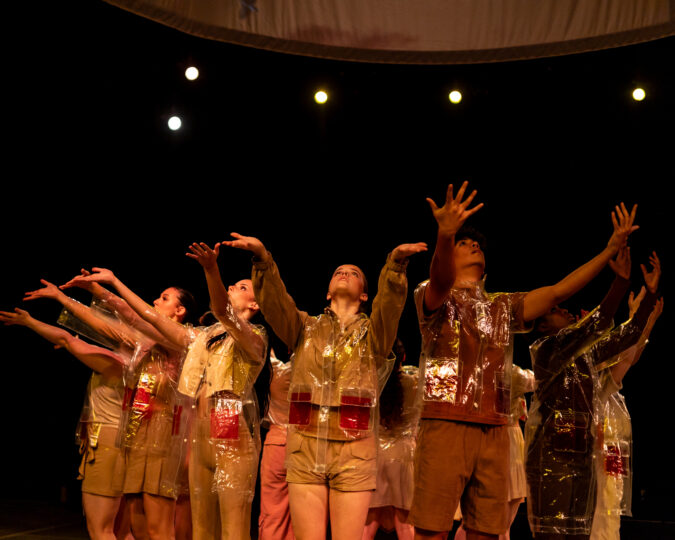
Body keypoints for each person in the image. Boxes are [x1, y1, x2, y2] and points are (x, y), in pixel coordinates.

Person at [409, 181, 639, 540]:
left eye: (477, 245)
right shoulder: (434, 295)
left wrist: (607, 250)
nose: (473, 245)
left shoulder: (502, 305)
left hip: (496, 429)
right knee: (432, 530)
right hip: (446, 422)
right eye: (463, 243)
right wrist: (444, 235)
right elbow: (439, 277)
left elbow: (559, 290)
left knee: (487, 530)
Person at [224, 232, 427, 540]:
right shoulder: (304, 328)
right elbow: (277, 303)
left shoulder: (375, 335)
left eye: (355, 273)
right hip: (305, 447)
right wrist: (262, 260)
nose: (345, 274)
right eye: (338, 272)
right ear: (328, 293)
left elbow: (389, 306)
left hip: (355, 452)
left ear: (363, 296)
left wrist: (395, 266)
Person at [525, 251, 661, 540]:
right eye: (556, 310)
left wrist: (649, 296)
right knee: (552, 534)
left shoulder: (586, 355)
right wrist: (620, 283)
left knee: (579, 535)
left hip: (582, 455)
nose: (566, 311)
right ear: (543, 324)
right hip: (551, 457)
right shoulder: (547, 350)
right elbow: (598, 322)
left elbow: (630, 334)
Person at [58, 269, 198, 540]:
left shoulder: (178, 337)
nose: (156, 301)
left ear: (179, 311)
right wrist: (70, 296)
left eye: (164, 298)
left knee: (158, 527)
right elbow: (107, 325)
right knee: (139, 526)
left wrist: (108, 285)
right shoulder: (147, 341)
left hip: (160, 433)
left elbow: (136, 315)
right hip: (135, 431)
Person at [0, 305, 126, 540]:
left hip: (108, 443)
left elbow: (66, 339)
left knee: (100, 530)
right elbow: (73, 343)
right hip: (121, 442)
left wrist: (29, 321)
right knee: (121, 530)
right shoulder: (135, 362)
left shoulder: (115, 363)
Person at [589, 288, 663, 540]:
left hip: (611, 463)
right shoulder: (594, 386)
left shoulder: (608, 392)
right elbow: (625, 359)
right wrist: (637, 318)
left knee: (609, 523)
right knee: (601, 526)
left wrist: (645, 323)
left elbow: (629, 357)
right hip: (596, 464)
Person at [453, 363, 534, 540]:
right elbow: (535, 380)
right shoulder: (511, 372)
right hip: (506, 441)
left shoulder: (482, 368)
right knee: (496, 521)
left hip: (502, 439)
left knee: (493, 521)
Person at [362, 339, 419, 540]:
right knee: (405, 525)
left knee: (368, 525)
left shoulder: (371, 384)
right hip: (404, 456)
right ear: (403, 357)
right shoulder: (414, 383)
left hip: (376, 456)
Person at [258, 352, 295, 540]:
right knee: (303, 519)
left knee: (272, 514)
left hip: (276, 443)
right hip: (304, 444)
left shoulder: (274, 370)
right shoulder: (302, 369)